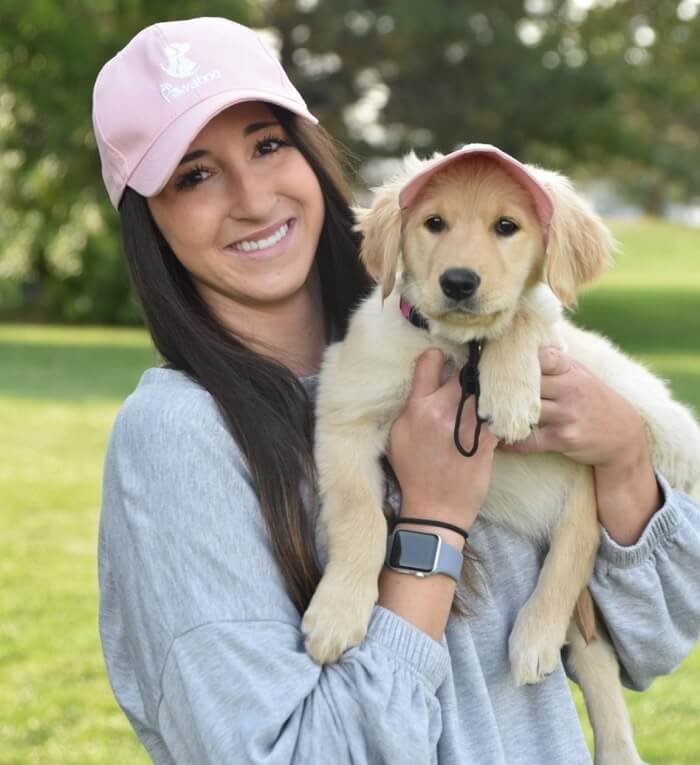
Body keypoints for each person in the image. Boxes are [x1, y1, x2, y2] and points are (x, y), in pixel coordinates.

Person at [94, 16, 700, 765]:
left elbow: (658, 637)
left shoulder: (458, 343)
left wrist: (623, 459)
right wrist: (434, 522)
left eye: (266, 143)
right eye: (194, 174)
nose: (252, 199)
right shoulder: (178, 435)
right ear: (147, 223)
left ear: (309, 152)